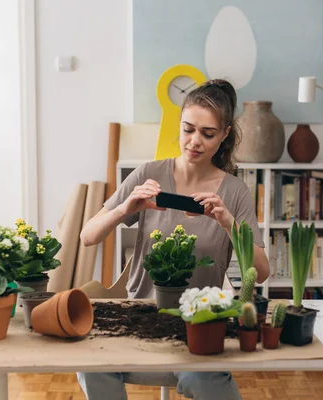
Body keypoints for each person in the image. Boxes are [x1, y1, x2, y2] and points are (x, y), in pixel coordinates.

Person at [76, 79, 270, 400]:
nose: (194, 141)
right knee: (90, 364)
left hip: (200, 325)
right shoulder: (148, 173)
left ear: (224, 136)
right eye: (188, 129)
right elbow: (87, 236)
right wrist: (125, 207)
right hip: (140, 317)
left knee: (208, 381)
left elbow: (261, 273)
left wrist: (228, 223)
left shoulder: (235, 192)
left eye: (207, 134)